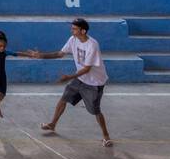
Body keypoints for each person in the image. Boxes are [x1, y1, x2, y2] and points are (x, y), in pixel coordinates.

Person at [27, 18, 114, 147]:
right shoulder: (73, 39)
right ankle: (52, 124)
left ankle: (106, 136)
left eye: (74, 28)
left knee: (95, 111)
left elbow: (87, 68)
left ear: (83, 31)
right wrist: (42, 56)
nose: (71, 30)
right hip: (80, 78)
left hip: (94, 82)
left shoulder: (92, 44)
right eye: (72, 28)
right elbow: (60, 53)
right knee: (64, 98)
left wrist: (69, 77)